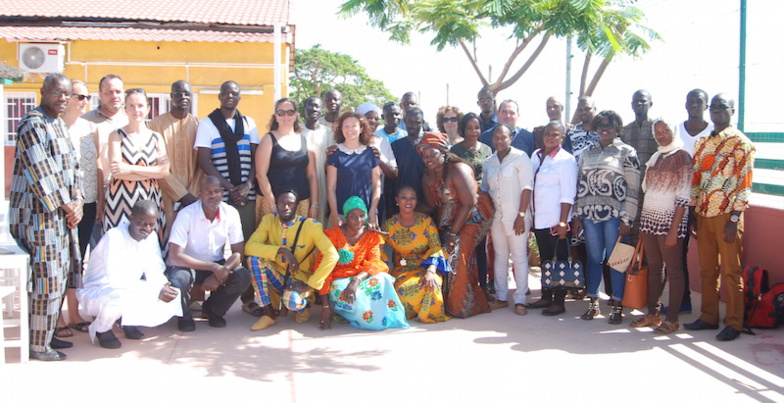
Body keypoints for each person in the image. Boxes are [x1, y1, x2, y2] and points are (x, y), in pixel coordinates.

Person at [10, 73, 82, 361]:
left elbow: (73, 168)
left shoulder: (59, 125)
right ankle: (38, 346)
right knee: (45, 281)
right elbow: (42, 173)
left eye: (67, 94)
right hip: (38, 219)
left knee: (60, 277)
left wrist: (77, 201)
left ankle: (47, 334)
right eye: (57, 93)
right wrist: (68, 206)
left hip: (62, 218)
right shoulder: (33, 124)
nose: (62, 99)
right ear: (43, 92)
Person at [685, 93, 755, 342]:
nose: (716, 111)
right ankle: (708, 316)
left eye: (721, 107)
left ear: (732, 111)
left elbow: (745, 185)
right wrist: (692, 213)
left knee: (731, 272)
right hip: (703, 215)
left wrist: (734, 219)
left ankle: (735, 322)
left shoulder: (741, 143)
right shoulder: (702, 142)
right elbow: (696, 179)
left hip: (727, 216)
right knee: (707, 270)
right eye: (713, 107)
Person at [78, 201, 181, 349]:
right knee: (121, 296)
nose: (147, 228)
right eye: (142, 223)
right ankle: (102, 329)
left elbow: (155, 267)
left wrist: (162, 285)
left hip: (128, 287)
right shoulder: (114, 237)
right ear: (131, 218)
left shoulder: (151, 236)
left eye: (151, 225)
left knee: (172, 293)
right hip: (101, 290)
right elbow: (116, 280)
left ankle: (127, 321)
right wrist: (154, 291)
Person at [194, 81, 259, 315]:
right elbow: (203, 161)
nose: (230, 96)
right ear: (219, 96)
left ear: (239, 98)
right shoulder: (207, 124)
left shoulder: (249, 124)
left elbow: (256, 158)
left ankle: (249, 298)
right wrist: (229, 188)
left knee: (247, 246)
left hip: (246, 195)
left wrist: (248, 184)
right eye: (226, 93)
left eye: (235, 93)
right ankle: (203, 297)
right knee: (213, 246)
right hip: (219, 196)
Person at [572, 110, 640, 325]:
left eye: (609, 125)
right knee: (593, 259)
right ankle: (593, 304)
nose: (604, 128)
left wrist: (627, 219)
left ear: (617, 129)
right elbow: (579, 185)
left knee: (616, 261)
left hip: (614, 216)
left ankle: (617, 305)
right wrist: (577, 215)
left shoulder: (626, 152)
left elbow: (633, 188)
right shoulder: (587, 152)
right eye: (600, 124)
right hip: (590, 216)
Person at [420, 132, 493, 318]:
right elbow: (430, 206)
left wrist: (452, 234)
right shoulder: (427, 178)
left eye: (432, 154)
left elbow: (469, 204)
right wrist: (407, 210)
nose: (428, 159)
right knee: (440, 248)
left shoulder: (458, 169)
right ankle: (443, 300)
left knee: (457, 250)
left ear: (443, 152)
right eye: (424, 155)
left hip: (475, 214)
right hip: (450, 217)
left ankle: (465, 305)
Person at [165, 176, 252, 331]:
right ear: (200, 193)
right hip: (188, 264)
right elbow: (174, 256)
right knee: (177, 279)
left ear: (222, 193)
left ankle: (213, 311)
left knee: (242, 276)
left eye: (217, 191)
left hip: (216, 263)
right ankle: (183, 316)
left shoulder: (230, 213)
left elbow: (238, 254)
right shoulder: (186, 214)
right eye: (209, 192)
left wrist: (222, 270)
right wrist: (213, 268)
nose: (213, 196)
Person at [245, 190, 339, 331]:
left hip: (299, 280)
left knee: (292, 301)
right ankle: (269, 313)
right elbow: (249, 247)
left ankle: (303, 308)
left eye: (290, 204)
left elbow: (332, 255)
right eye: (282, 203)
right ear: (276, 205)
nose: (286, 207)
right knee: (254, 260)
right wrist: (281, 251)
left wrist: (310, 284)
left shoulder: (311, 226)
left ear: (297, 206)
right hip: (277, 277)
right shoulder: (269, 221)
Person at [630, 119, 691, 335]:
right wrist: (644, 224)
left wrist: (674, 230)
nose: (661, 134)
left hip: (669, 224)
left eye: (665, 130)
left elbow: (684, 197)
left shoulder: (682, 157)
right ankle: (653, 314)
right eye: (658, 131)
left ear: (673, 131)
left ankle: (672, 319)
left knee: (674, 270)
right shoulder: (657, 157)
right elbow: (648, 191)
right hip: (650, 222)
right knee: (655, 269)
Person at [316, 196, 409, 330]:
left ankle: (375, 314)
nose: (359, 220)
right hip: (339, 281)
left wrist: (356, 280)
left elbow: (375, 262)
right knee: (347, 294)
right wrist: (325, 307)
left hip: (362, 278)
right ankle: (355, 315)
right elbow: (322, 268)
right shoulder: (332, 236)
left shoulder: (372, 236)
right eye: (353, 216)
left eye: (362, 215)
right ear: (345, 217)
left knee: (384, 279)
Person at [56, 78, 97, 336]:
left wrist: (96, 202)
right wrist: (67, 204)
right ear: (66, 98)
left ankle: (73, 313)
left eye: (86, 97)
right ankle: (57, 316)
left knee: (77, 260)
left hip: (87, 203)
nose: (84, 102)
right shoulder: (54, 127)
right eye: (79, 96)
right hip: (61, 207)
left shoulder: (87, 128)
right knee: (59, 262)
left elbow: (94, 169)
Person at [103, 88, 169, 241]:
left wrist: (129, 169)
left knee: (150, 245)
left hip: (150, 198)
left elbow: (165, 171)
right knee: (119, 245)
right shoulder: (116, 135)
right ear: (125, 109)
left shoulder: (156, 138)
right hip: (120, 200)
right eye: (131, 106)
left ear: (148, 109)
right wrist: (153, 171)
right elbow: (117, 171)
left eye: (140, 105)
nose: (136, 110)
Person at [669, 89, 713, 315]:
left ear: (706, 106)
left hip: (709, 204)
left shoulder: (714, 132)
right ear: (685, 105)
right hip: (680, 203)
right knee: (677, 254)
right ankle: (683, 301)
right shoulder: (677, 130)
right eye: (690, 102)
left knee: (710, 260)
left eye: (699, 102)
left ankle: (710, 310)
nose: (694, 105)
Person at [481, 124, 533, 315]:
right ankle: (502, 297)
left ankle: (520, 299)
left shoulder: (521, 158)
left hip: (517, 217)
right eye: (496, 138)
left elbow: (527, 188)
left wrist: (521, 215)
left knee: (519, 257)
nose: (499, 141)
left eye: (503, 137)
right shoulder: (489, 162)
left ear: (510, 137)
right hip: (497, 218)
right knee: (500, 257)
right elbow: (486, 189)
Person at [526, 121, 577, 316]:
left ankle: (559, 301)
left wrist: (563, 221)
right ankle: (546, 295)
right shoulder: (536, 156)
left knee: (560, 261)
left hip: (557, 221)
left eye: (555, 135)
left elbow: (568, 193)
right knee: (546, 260)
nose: (550, 137)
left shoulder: (566, 160)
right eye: (547, 133)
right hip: (539, 219)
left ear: (562, 138)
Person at [383, 186, 450, 323]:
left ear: (416, 201)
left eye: (412, 198)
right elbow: (378, 248)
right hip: (403, 269)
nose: (408, 201)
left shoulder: (426, 221)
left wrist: (431, 271)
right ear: (397, 201)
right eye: (404, 197)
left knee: (432, 284)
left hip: (426, 267)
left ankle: (428, 314)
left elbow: (436, 247)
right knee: (401, 291)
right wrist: (383, 273)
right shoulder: (390, 225)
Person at [147, 80, 202, 239]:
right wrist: (181, 194)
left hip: (194, 193)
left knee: (191, 239)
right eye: (178, 94)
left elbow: (203, 164)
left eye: (187, 94)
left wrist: (191, 194)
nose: (183, 97)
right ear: (171, 96)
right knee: (165, 238)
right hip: (164, 193)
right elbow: (155, 163)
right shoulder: (155, 125)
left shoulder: (198, 124)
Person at [81, 74, 128, 245]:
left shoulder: (133, 119)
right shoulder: (86, 121)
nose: (114, 95)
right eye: (109, 92)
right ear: (100, 94)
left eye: (118, 91)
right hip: (96, 197)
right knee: (99, 249)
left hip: (126, 194)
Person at [256, 98, 318, 221]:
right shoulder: (268, 139)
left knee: (299, 239)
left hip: (301, 202)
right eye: (281, 112)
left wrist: (315, 204)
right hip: (272, 203)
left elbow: (312, 175)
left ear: (296, 115)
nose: (285, 116)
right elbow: (260, 175)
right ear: (276, 116)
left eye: (290, 112)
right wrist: (273, 205)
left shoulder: (305, 141)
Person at [450, 113, 492, 292]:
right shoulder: (456, 150)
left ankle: (483, 285)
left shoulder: (487, 150)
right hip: (463, 203)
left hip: (484, 204)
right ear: (463, 129)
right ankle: (464, 288)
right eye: (469, 127)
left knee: (481, 245)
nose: (473, 131)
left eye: (476, 127)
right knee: (465, 246)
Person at [326, 112, 381, 229]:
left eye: (354, 126)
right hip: (341, 215)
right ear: (341, 129)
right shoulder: (335, 154)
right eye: (346, 126)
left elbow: (377, 185)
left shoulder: (371, 153)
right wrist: (335, 215)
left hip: (364, 215)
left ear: (361, 128)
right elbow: (331, 188)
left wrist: (372, 212)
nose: (350, 129)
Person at [621, 90, 656, 245]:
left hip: (652, 191)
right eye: (636, 102)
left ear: (651, 104)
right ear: (631, 105)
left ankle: (650, 268)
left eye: (643, 101)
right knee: (630, 231)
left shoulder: (658, 128)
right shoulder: (625, 131)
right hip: (630, 190)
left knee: (649, 234)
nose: (639, 104)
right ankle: (632, 268)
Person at [302, 95, 335, 224]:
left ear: (322, 110)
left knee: (320, 220)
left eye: (317, 106)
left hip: (323, 183)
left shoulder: (328, 133)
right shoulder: (297, 131)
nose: (313, 109)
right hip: (301, 182)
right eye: (310, 105)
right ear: (304, 109)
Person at [391, 107, 426, 202]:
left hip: (425, 201)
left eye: (417, 122)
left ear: (422, 123)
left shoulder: (430, 145)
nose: (413, 125)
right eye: (410, 121)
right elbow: (391, 178)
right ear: (405, 121)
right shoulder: (396, 146)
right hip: (401, 201)